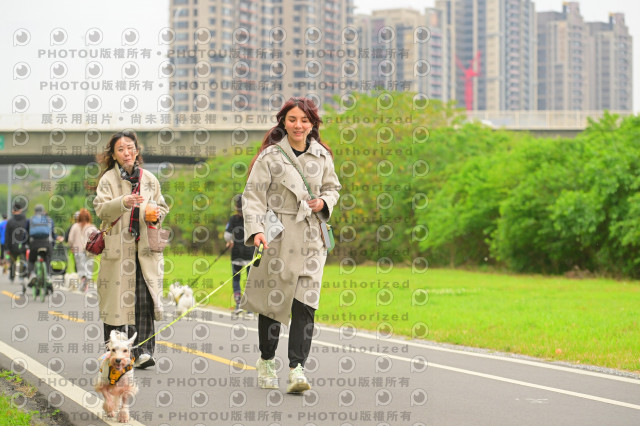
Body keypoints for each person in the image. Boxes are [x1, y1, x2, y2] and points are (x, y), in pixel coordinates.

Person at [241, 97, 341, 393]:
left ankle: (297, 368)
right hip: (279, 235)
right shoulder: (271, 156)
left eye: (305, 120)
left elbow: (333, 188)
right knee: (273, 301)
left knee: (305, 304)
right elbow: (253, 196)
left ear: (313, 124)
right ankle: (266, 360)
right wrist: (257, 230)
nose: (299, 125)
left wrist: (323, 201)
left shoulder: (322, 155)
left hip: (312, 238)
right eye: (293, 119)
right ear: (283, 122)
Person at [93, 130, 169, 369]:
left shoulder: (150, 179)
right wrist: (122, 202)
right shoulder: (108, 180)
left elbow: (162, 205)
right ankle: (115, 353)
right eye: (120, 149)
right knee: (116, 302)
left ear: (136, 151)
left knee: (143, 301)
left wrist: (156, 213)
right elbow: (101, 209)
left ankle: (143, 351)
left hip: (144, 250)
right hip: (118, 251)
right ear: (114, 155)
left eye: (130, 148)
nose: (126, 153)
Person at [224, 194, 255, 318]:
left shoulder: (233, 219)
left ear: (236, 206)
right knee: (250, 280)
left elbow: (227, 235)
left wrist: (230, 241)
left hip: (236, 254)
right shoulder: (252, 218)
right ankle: (249, 309)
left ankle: (238, 305)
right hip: (250, 253)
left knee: (236, 279)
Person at [67, 208, 98, 292]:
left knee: (81, 268)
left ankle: (83, 279)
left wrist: (71, 246)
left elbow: (70, 239)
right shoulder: (92, 227)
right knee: (89, 267)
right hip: (89, 251)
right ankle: (87, 283)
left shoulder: (75, 226)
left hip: (78, 250)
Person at [28, 204, 59, 278]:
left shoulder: (30, 220)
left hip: (34, 243)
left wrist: (26, 244)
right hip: (46, 243)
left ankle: (32, 274)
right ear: (43, 211)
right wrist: (54, 244)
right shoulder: (49, 220)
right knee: (48, 258)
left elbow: (26, 233)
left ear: (34, 211)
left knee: (32, 259)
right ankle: (48, 275)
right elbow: (53, 234)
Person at [5, 199, 29, 284]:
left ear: (13, 211)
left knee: (12, 262)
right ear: (21, 210)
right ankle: (22, 277)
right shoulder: (25, 220)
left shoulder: (10, 221)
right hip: (23, 245)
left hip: (12, 246)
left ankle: (12, 277)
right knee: (23, 261)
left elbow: (7, 235)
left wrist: (7, 248)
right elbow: (28, 232)